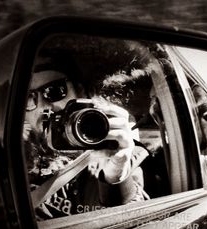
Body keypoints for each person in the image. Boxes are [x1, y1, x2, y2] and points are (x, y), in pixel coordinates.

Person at [23, 55, 150, 220]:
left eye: (54, 90)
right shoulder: (14, 157)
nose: (43, 107)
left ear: (80, 91)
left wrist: (115, 178)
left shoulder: (112, 151)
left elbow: (132, 227)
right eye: (29, 99)